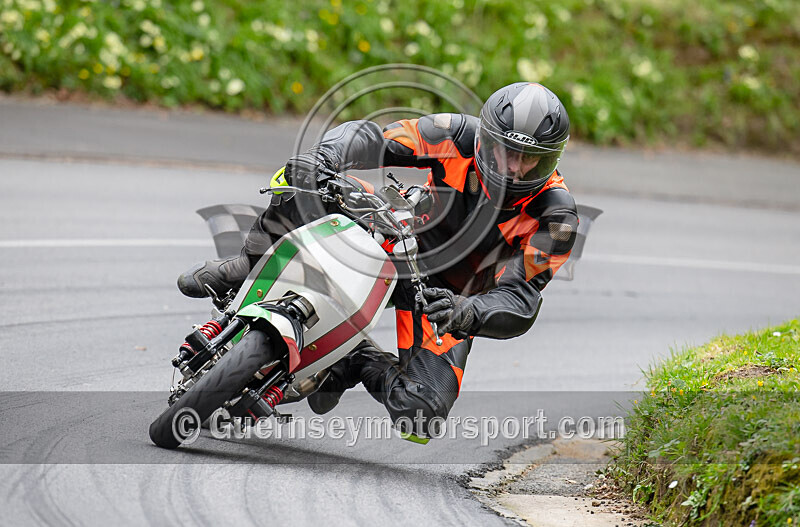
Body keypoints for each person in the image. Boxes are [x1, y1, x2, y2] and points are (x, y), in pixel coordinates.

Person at [178, 82, 578, 438]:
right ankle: (246, 267)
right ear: (485, 137)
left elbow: (522, 298)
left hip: (446, 301)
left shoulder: (557, 218)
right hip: (394, 239)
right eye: (507, 151)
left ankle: (356, 360)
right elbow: (374, 138)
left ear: (552, 160)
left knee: (422, 416)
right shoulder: (455, 132)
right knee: (304, 178)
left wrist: (468, 312)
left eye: (532, 159)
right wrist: (326, 158)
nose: (514, 168)